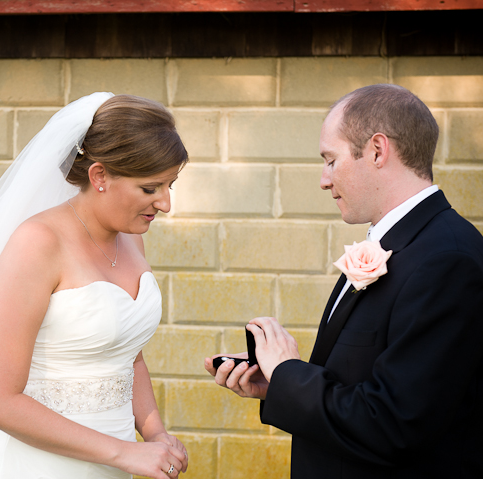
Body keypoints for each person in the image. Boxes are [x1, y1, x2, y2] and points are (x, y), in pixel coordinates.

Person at [0, 92, 189, 479]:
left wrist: (155, 434)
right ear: (99, 176)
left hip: (112, 463)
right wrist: (123, 453)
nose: (165, 203)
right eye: (150, 189)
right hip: (31, 464)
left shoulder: (131, 240)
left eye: (170, 185)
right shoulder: (37, 244)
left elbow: (129, 357)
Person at [205, 84, 483, 478]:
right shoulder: (401, 243)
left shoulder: (446, 260)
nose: (323, 179)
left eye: (330, 160)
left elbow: (394, 423)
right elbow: (364, 383)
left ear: (376, 150)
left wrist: (290, 374)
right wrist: (278, 386)